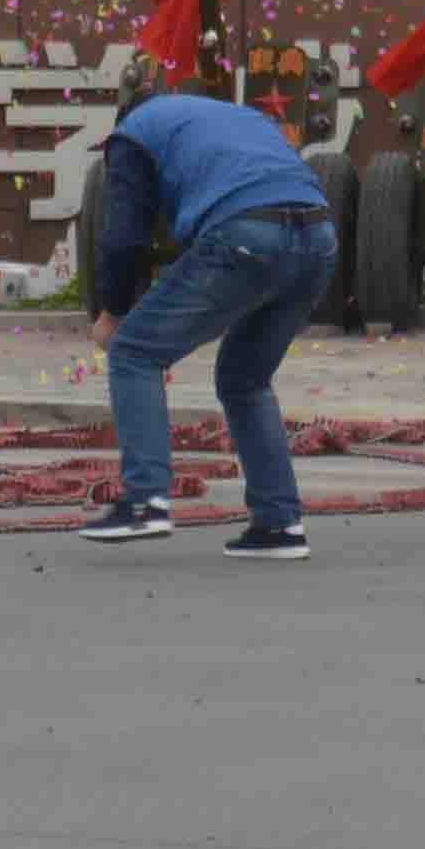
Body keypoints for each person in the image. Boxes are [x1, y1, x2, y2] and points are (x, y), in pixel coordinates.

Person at [72, 68, 336, 558]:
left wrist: (112, 312)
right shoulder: (237, 119)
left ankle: (145, 500)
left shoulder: (133, 134)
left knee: (134, 353)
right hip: (319, 237)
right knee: (244, 379)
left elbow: (124, 235)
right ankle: (279, 524)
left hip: (246, 234)